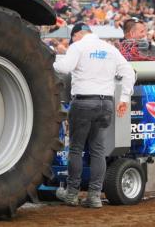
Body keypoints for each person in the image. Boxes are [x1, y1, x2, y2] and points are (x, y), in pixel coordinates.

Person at [53, 23, 135, 208]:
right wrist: (123, 98)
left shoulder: (78, 46)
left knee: (76, 148)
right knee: (98, 150)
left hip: (83, 102)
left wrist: (49, 61)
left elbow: (64, 68)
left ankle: (72, 194)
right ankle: (95, 196)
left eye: (72, 38)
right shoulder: (110, 49)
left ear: (77, 35)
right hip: (105, 103)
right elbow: (129, 72)